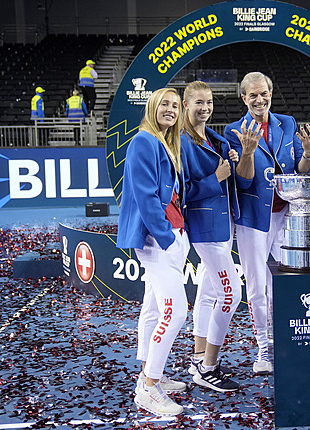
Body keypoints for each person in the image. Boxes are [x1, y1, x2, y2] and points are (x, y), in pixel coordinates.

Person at [224, 71, 310, 374]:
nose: (259, 99)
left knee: (287, 279)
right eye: (253, 95)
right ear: (243, 98)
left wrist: (307, 153)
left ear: (271, 94)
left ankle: (285, 339)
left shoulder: (286, 123)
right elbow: (242, 179)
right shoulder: (233, 131)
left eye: (264, 93)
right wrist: (248, 153)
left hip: (285, 213)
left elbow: (299, 171)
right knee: (257, 286)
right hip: (253, 218)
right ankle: (263, 349)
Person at [116, 87, 188, 416]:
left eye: (175, 105)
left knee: (153, 311)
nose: (171, 110)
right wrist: (167, 239)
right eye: (165, 105)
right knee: (176, 313)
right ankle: (148, 386)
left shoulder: (162, 141)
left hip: (169, 236)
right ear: (153, 106)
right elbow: (146, 197)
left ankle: (148, 374)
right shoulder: (144, 141)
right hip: (160, 241)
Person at [180, 81, 241, 392]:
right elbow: (183, 192)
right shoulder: (181, 142)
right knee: (232, 295)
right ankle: (209, 366)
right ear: (185, 105)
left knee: (207, 293)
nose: (204, 108)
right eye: (198, 103)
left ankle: (198, 356)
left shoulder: (212, 137)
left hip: (223, 224)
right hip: (205, 228)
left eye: (209, 102)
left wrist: (230, 157)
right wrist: (215, 178)